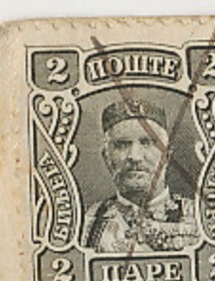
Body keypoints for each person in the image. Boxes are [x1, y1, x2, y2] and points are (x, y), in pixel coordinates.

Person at [82, 98, 200, 253]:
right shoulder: (87, 224)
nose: (135, 156)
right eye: (121, 145)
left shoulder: (199, 216)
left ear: (167, 155)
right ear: (106, 157)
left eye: (147, 142)